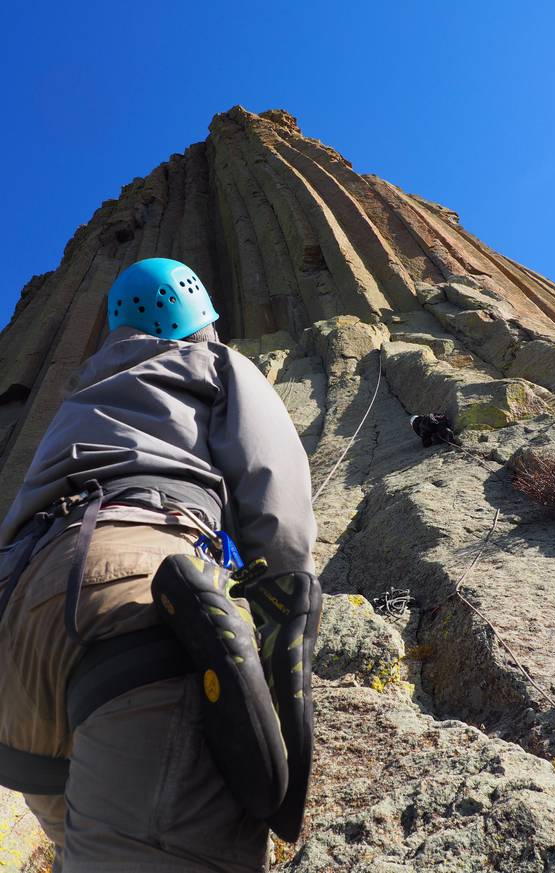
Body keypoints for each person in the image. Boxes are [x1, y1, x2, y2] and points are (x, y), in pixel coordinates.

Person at [0, 258, 317, 872]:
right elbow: (273, 488)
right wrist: (282, 602)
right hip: (136, 581)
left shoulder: (81, 395)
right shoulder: (214, 363)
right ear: (201, 321)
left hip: (14, 625)